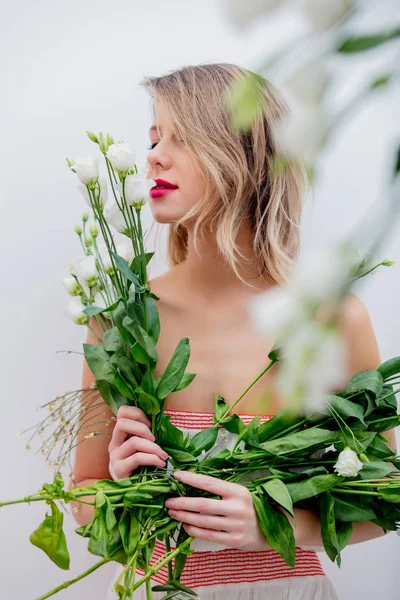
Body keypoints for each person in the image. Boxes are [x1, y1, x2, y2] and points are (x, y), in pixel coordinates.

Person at [70, 63, 397, 600]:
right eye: (153, 138)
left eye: (182, 138)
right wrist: (118, 488)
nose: (152, 155)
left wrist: (276, 526)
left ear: (246, 156)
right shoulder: (119, 318)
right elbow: (83, 498)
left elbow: (387, 500)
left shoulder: (332, 319)